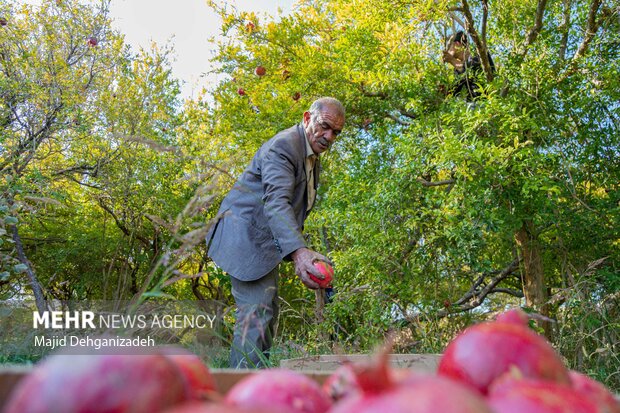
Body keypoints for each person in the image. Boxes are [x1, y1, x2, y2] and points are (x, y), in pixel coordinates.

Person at [206, 97, 346, 368]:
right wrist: (299, 253)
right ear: (307, 118)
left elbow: (292, 209)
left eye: (336, 132)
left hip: (262, 243)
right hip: (244, 239)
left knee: (266, 316)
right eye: (324, 126)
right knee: (256, 315)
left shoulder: (311, 155)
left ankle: (257, 388)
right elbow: (277, 201)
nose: (329, 136)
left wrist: (301, 252)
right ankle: (239, 398)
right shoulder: (283, 147)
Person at [442, 30, 495, 101]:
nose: (447, 51)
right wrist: (446, 91)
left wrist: (452, 60)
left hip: (488, 101)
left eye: (448, 47)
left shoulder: (478, 53)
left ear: (457, 44)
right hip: (473, 106)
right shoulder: (457, 70)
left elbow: (471, 70)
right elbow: (455, 91)